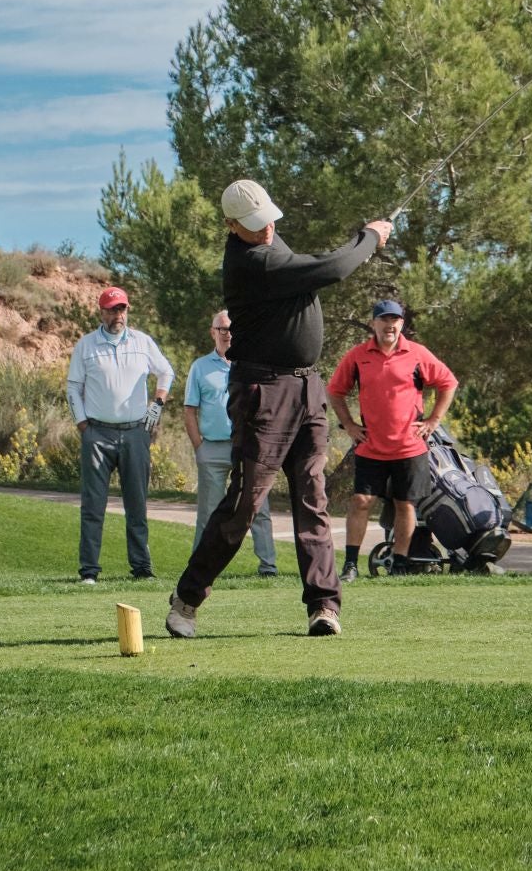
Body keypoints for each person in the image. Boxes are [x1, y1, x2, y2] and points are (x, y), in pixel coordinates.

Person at [165, 179, 391, 640]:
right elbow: (332, 268)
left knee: (313, 499)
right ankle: (186, 599)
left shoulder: (266, 237)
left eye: (268, 217)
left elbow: (314, 266)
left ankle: (323, 606)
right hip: (262, 392)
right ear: (230, 226)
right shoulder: (252, 263)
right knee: (245, 503)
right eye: (253, 224)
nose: (266, 229)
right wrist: (369, 237)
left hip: (307, 389)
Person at [327, 299, 458, 579]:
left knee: (405, 504)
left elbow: (448, 383)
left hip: (410, 447)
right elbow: (335, 390)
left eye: (395, 320)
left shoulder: (417, 353)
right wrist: (349, 424)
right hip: (370, 447)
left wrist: (433, 420)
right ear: (374, 323)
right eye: (384, 319)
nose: (390, 325)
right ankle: (350, 565)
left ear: (401, 323)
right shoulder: (358, 355)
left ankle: (400, 563)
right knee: (361, 501)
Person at [67, 286, 175, 585]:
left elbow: (166, 372)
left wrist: (158, 403)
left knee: (137, 504)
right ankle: (89, 570)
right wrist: (82, 425)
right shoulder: (86, 346)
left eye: (122, 309)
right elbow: (73, 387)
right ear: (101, 312)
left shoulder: (142, 342)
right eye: (112, 309)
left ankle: (141, 567)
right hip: (97, 433)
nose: (118, 315)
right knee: (93, 505)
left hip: (136, 432)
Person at [182, 308, 278, 577]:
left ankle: (268, 566)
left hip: (248, 447)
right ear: (213, 332)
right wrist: (199, 447)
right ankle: (199, 568)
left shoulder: (251, 363)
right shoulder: (200, 367)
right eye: (222, 329)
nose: (227, 334)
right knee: (209, 512)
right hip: (212, 447)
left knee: (258, 508)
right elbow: (190, 409)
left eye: (231, 329)